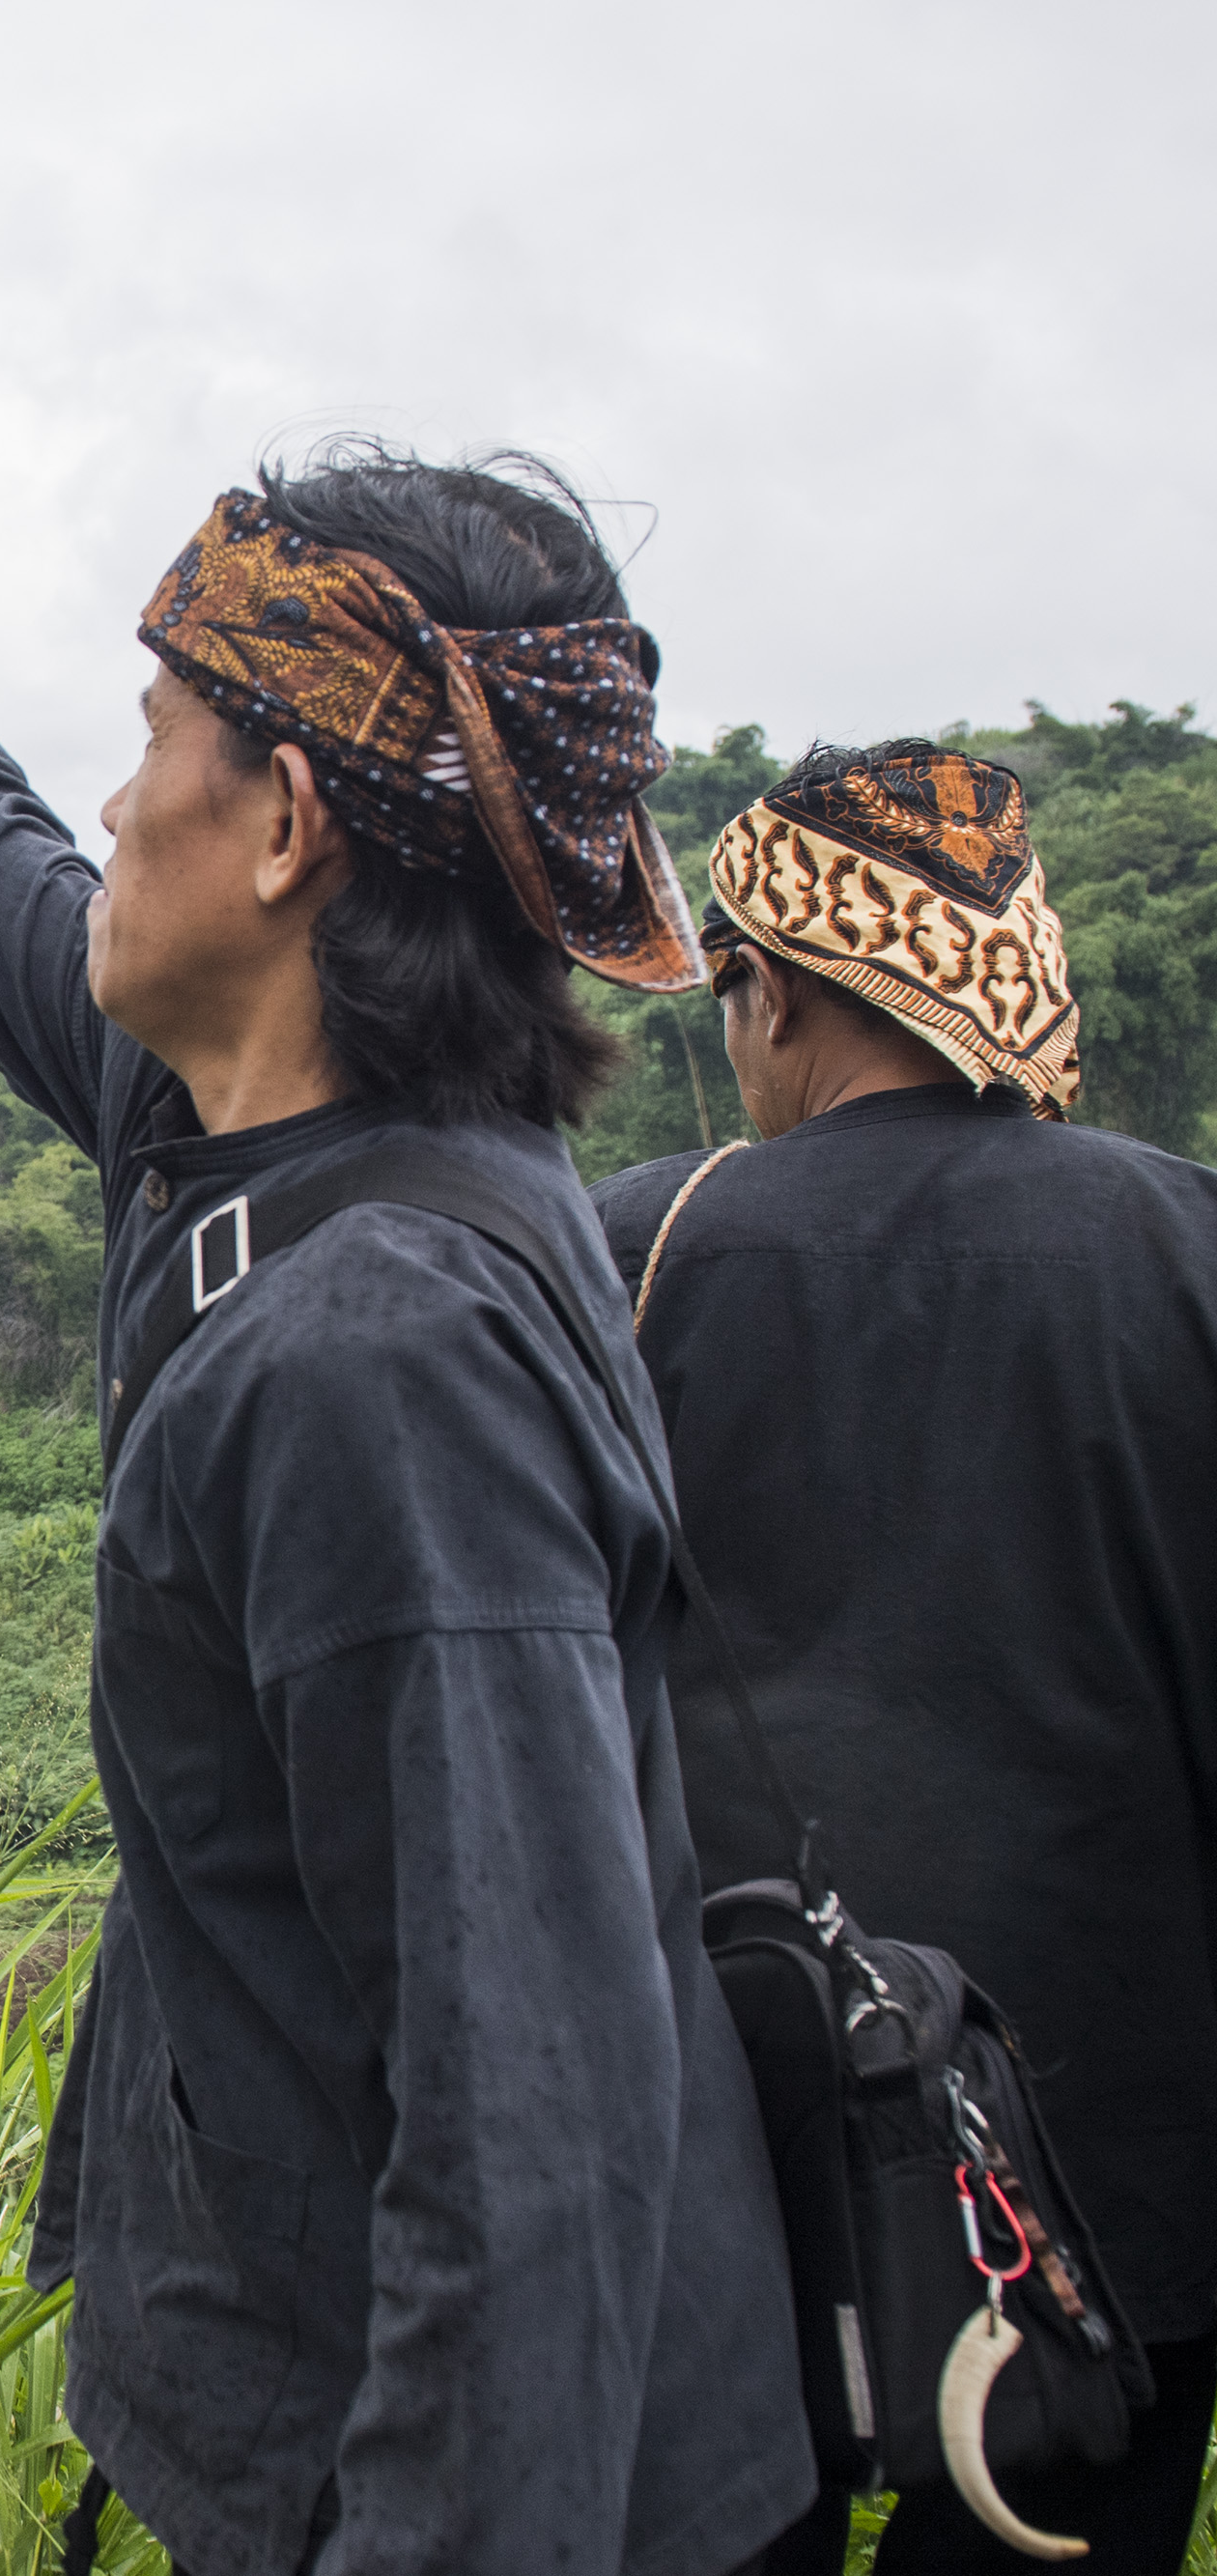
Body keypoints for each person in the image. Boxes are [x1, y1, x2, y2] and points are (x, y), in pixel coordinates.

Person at [0, 366, 812, 2573]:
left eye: (153, 736)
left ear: (279, 830)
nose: (111, 791)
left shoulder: (378, 1361)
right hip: (339, 2388)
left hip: (447, 2478)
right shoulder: (316, 1151)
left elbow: (525, 2130)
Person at [594, 743, 1217, 2574]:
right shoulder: (1185, 1247)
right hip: (1111, 2197)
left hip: (724, 2159)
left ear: (771, 990)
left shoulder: (631, 1250)